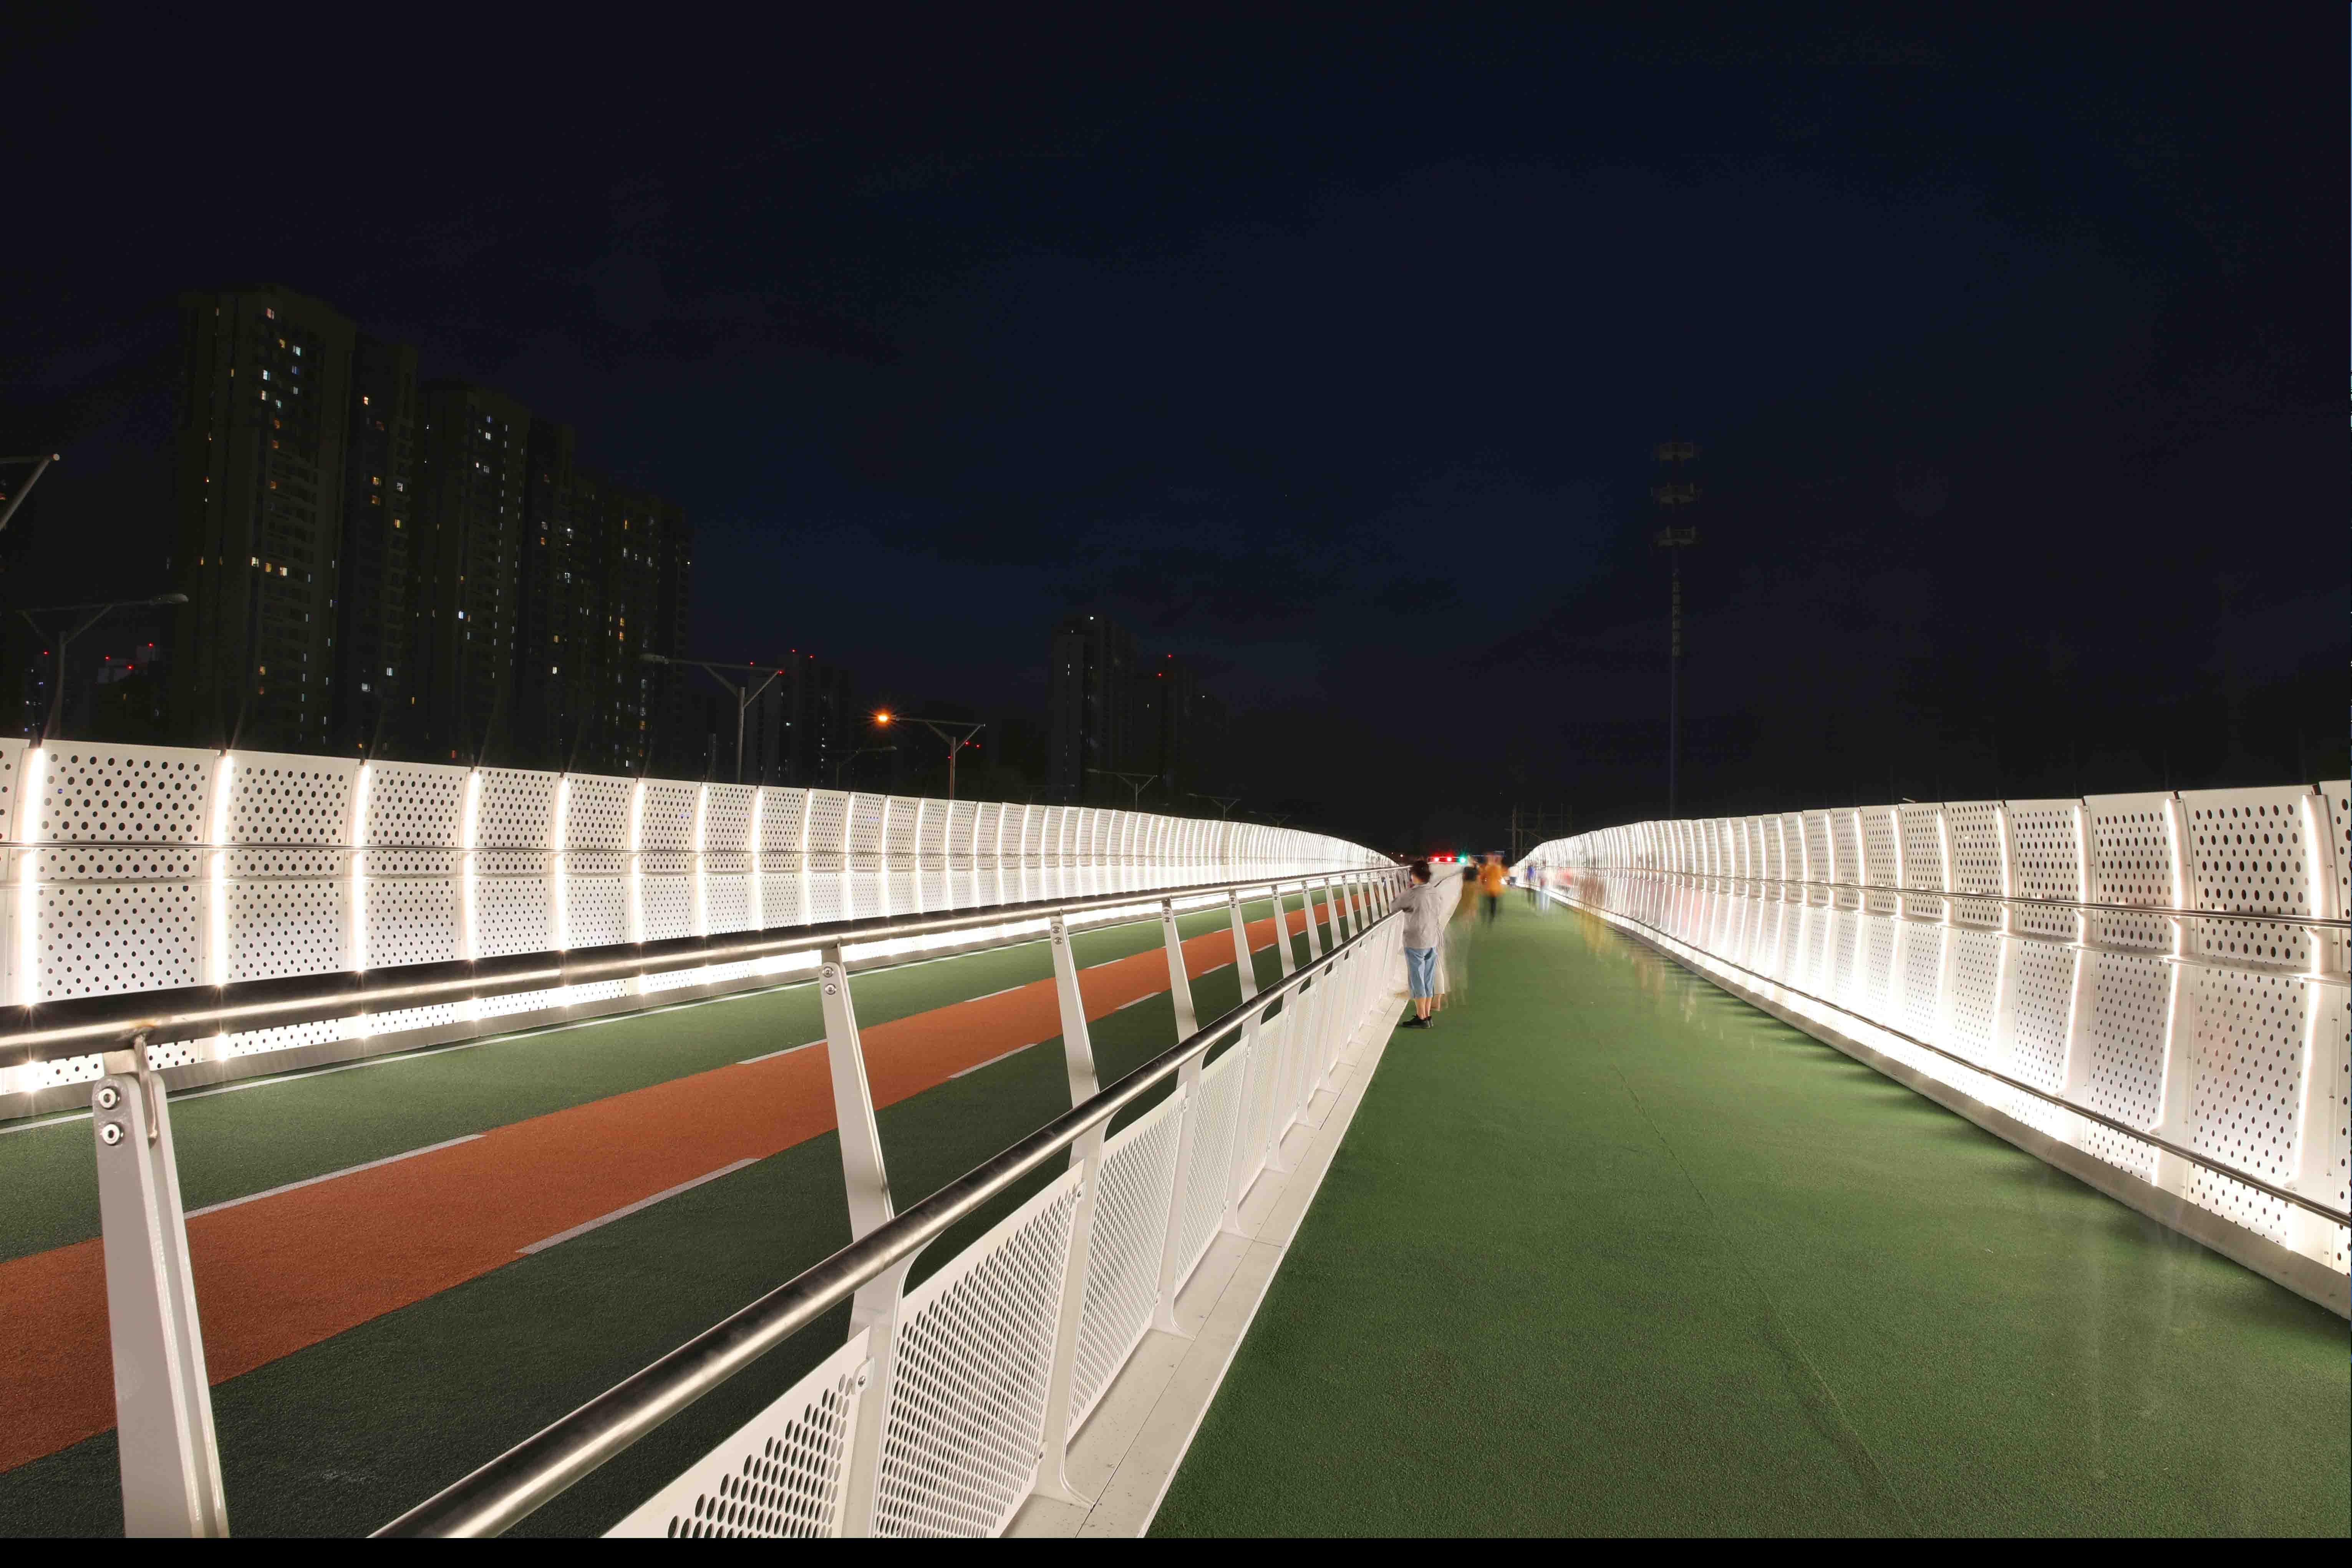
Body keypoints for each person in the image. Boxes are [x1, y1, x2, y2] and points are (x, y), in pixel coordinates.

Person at [1392, 860, 1445, 1028]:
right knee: (1428, 978)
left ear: (1414, 875)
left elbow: (1394, 906)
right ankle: (1427, 1015)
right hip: (1432, 939)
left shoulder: (1412, 894)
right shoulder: (1435, 892)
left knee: (1417, 979)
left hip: (1415, 940)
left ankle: (1421, 1017)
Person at [1479, 853, 1506, 924]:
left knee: (1486, 903)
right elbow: (1500, 877)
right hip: (1496, 889)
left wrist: (1483, 883)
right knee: (1493, 903)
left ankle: (1484, 917)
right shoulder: (1498, 868)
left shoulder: (1487, 868)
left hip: (1487, 888)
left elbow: (1483, 877)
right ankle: (1492, 917)